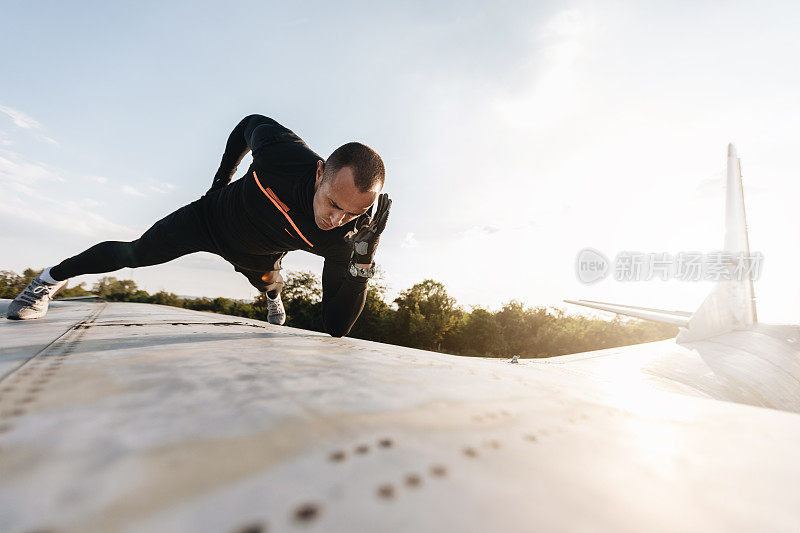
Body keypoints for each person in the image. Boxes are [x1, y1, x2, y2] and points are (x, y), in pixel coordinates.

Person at [6, 114, 392, 337]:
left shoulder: (345, 239)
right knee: (137, 252)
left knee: (269, 282)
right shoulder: (284, 154)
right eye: (333, 204)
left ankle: (273, 297)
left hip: (256, 255)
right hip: (208, 219)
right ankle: (47, 281)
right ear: (320, 171)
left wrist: (361, 266)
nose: (336, 219)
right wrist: (223, 176)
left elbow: (337, 328)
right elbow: (249, 123)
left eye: (353, 214)